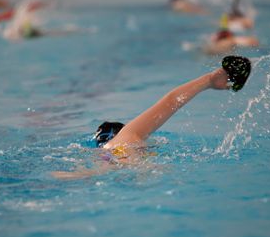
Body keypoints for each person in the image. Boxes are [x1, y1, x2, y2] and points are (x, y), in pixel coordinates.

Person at [51, 56, 252, 180]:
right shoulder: (129, 135)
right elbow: (171, 100)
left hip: (109, 159)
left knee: (98, 172)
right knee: (142, 170)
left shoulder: (106, 147)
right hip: (123, 156)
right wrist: (208, 79)